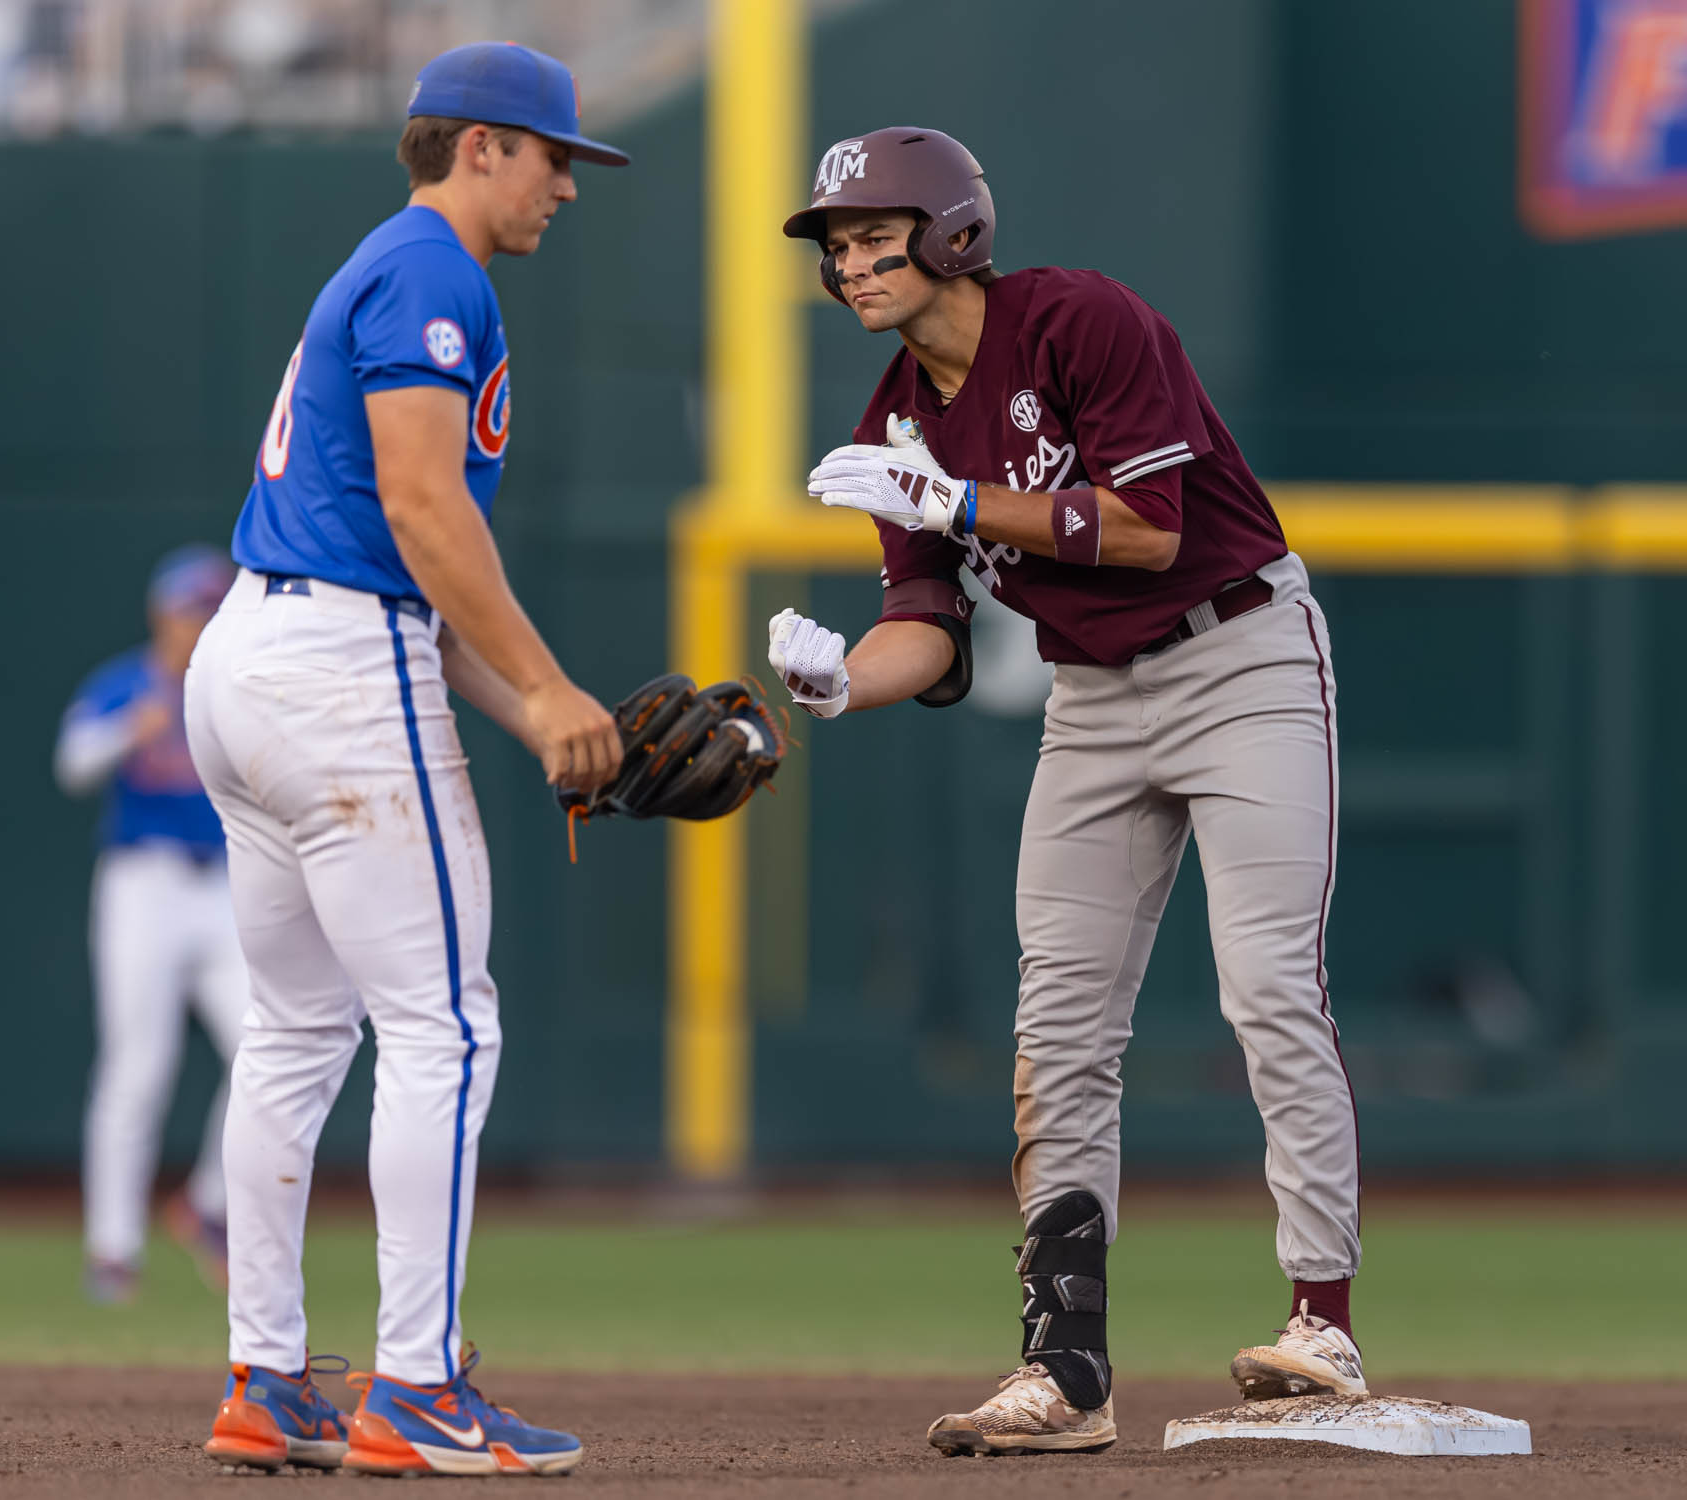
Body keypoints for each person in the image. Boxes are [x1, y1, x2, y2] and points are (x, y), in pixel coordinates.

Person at [772, 127, 1365, 1456]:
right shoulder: (895, 423)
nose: (853, 261)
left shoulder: (1079, 320)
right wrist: (834, 689)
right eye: (837, 244)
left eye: (876, 234)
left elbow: (1148, 529)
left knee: (1268, 980)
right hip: (1093, 696)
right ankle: (1065, 1375)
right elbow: (925, 625)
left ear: (955, 234)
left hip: (1241, 648)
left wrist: (957, 495)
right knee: (1060, 1030)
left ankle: (1321, 1313)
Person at [183, 41, 627, 1478]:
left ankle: (265, 1378)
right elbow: (424, 512)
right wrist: (555, 684)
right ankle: (418, 1389)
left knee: (297, 1034)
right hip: (337, 670)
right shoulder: (437, 270)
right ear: (483, 144)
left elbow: (407, 584)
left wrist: (545, 721)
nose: (569, 183)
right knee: (444, 1028)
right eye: (556, 154)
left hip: (255, 660)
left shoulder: (382, 265)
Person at [54, 543, 245, 1303]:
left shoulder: (236, 690)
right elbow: (73, 764)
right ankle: (113, 1248)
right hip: (145, 882)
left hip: (228, 886)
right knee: (139, 1064)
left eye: (211, 609)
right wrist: (132, 727)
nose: (199, 622)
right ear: (162, 614)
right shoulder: (126, 683)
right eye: (190, 609)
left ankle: (208, 1203)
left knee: (268, 1047)